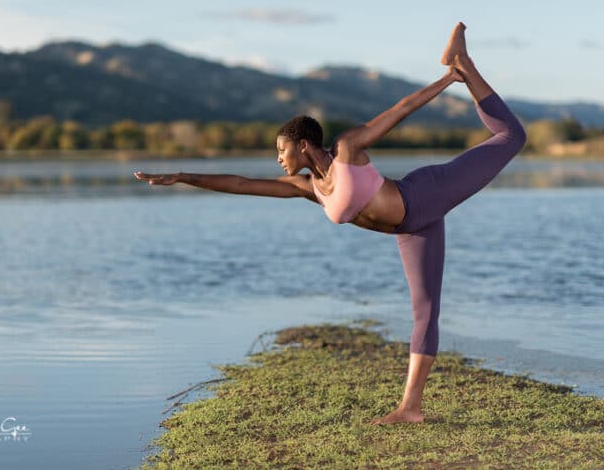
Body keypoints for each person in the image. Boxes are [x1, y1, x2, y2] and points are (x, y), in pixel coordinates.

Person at [134, 22, 526, 425]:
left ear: (303, 145)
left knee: (512, 136)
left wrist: (446, 81)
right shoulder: (308, 188)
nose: (279, 159)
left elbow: (400, 110)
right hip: (411, 228)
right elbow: (240, 183)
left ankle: (462, 65)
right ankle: (410, 408)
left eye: (282, 150)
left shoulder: (347, 150)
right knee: (425, 312)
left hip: (427, 193)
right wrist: (182, 176)